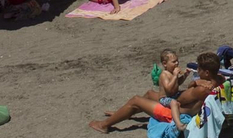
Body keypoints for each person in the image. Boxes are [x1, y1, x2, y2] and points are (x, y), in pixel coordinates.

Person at [90, 52, 222, 133]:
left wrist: (193, 84)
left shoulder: (201, 89)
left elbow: (179, 100)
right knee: (149, 93)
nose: (197, 71)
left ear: (206, 72)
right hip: (190, 107)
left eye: (199, 69)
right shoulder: (220, 79)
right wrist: (196, 82)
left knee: (136, 100)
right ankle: (121, 113)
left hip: (176, 112)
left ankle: (104, 125)